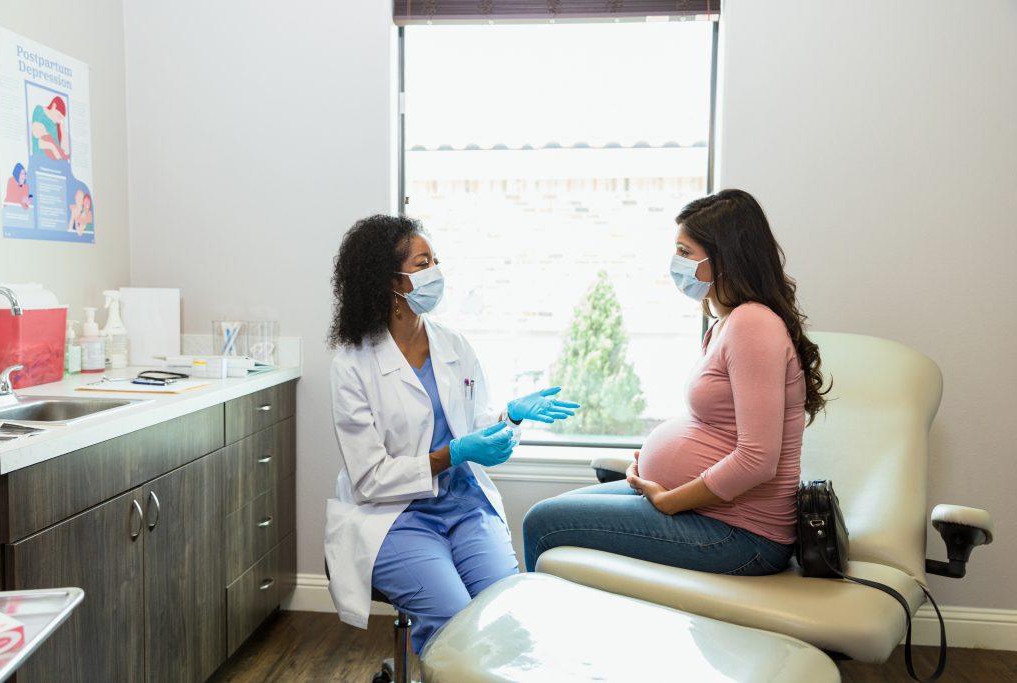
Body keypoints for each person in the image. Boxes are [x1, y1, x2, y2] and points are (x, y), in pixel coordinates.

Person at [523, 189, 829, 577]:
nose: (676, 263)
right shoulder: (725, 323)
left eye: (685, 252)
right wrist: (654, 465)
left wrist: (670, 500)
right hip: (711, 513)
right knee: (548, 513)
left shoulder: (753, 325)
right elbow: (717, 426)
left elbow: (757, 460)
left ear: (724, 259)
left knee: (543, 523)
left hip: (743, 535)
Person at [324, 214, 580, 654]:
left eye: (435, 260)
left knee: (504, 614)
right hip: (396, 516)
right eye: (423, 263)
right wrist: (453, 452)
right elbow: (370, 479)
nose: (436, 273)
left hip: (465, 507)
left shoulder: (454, 345)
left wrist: (511, 418)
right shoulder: (353, 364)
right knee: (455, 625)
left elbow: (478, 427)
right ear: (392, 282)